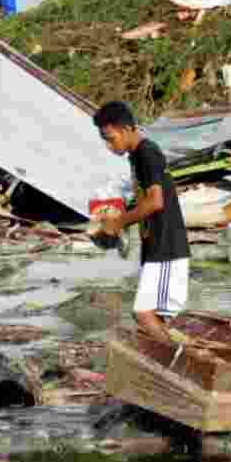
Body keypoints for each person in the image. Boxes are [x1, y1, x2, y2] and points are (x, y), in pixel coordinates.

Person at [92, 101, 190, 343]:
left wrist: (120, 222)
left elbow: (155, 202)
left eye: (110, 138)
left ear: (126, 129)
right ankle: (175, 356)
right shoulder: (136, 156)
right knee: (151, 316)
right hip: (155, 245)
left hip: (167, 246)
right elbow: (145, 200)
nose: (108, 146)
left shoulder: (147, 153)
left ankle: (176, 360)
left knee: (144, 314)